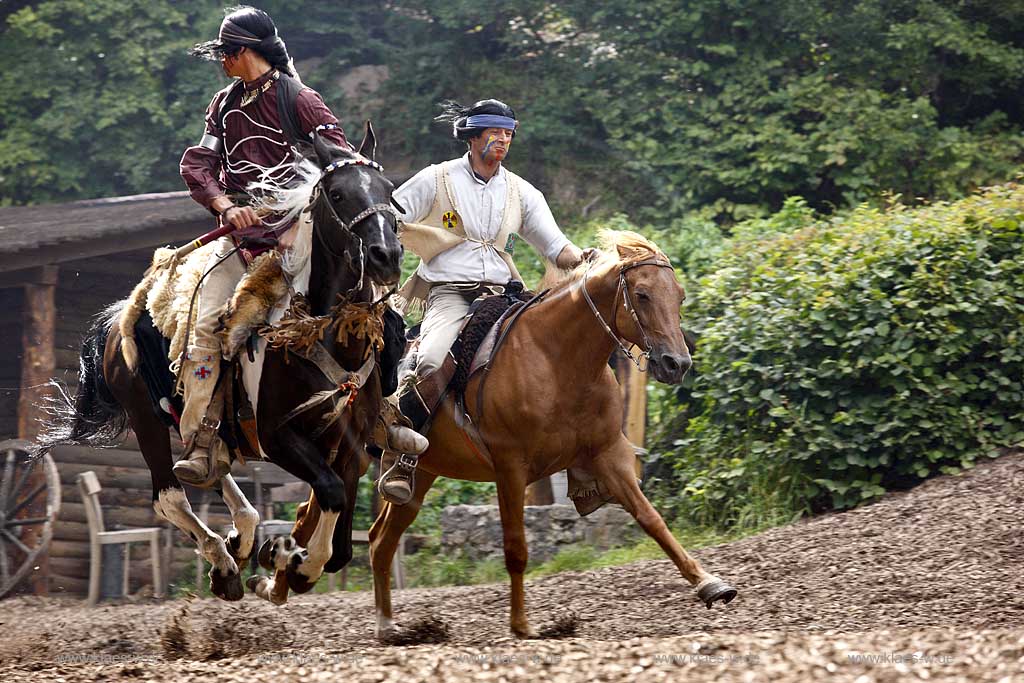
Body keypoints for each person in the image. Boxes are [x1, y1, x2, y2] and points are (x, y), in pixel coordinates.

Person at [378, 98, 591, 504]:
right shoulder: (436, 179)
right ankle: (402, 454)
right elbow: (389, 216)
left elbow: (556, 245)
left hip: (504, 295)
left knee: (562, 356)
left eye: (509, 133)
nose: (503, 140)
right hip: (449, 294)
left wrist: (584, 258)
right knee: (429, 359)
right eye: (495, 132)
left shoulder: (521, 191)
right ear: (472, 137)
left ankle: (583, 458)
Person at [175, 5, 350, 487]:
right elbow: (199, 165)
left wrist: (301, 219)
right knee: (205, 319)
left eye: (226, 53)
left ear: (245, 52)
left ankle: (388, 415)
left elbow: (342, 168)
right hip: (241, 243)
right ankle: (205, 438)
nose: (222, 62)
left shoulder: (303, 101)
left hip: (303, 238)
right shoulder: (223, 104)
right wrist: (224, 206)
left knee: (373, 308)